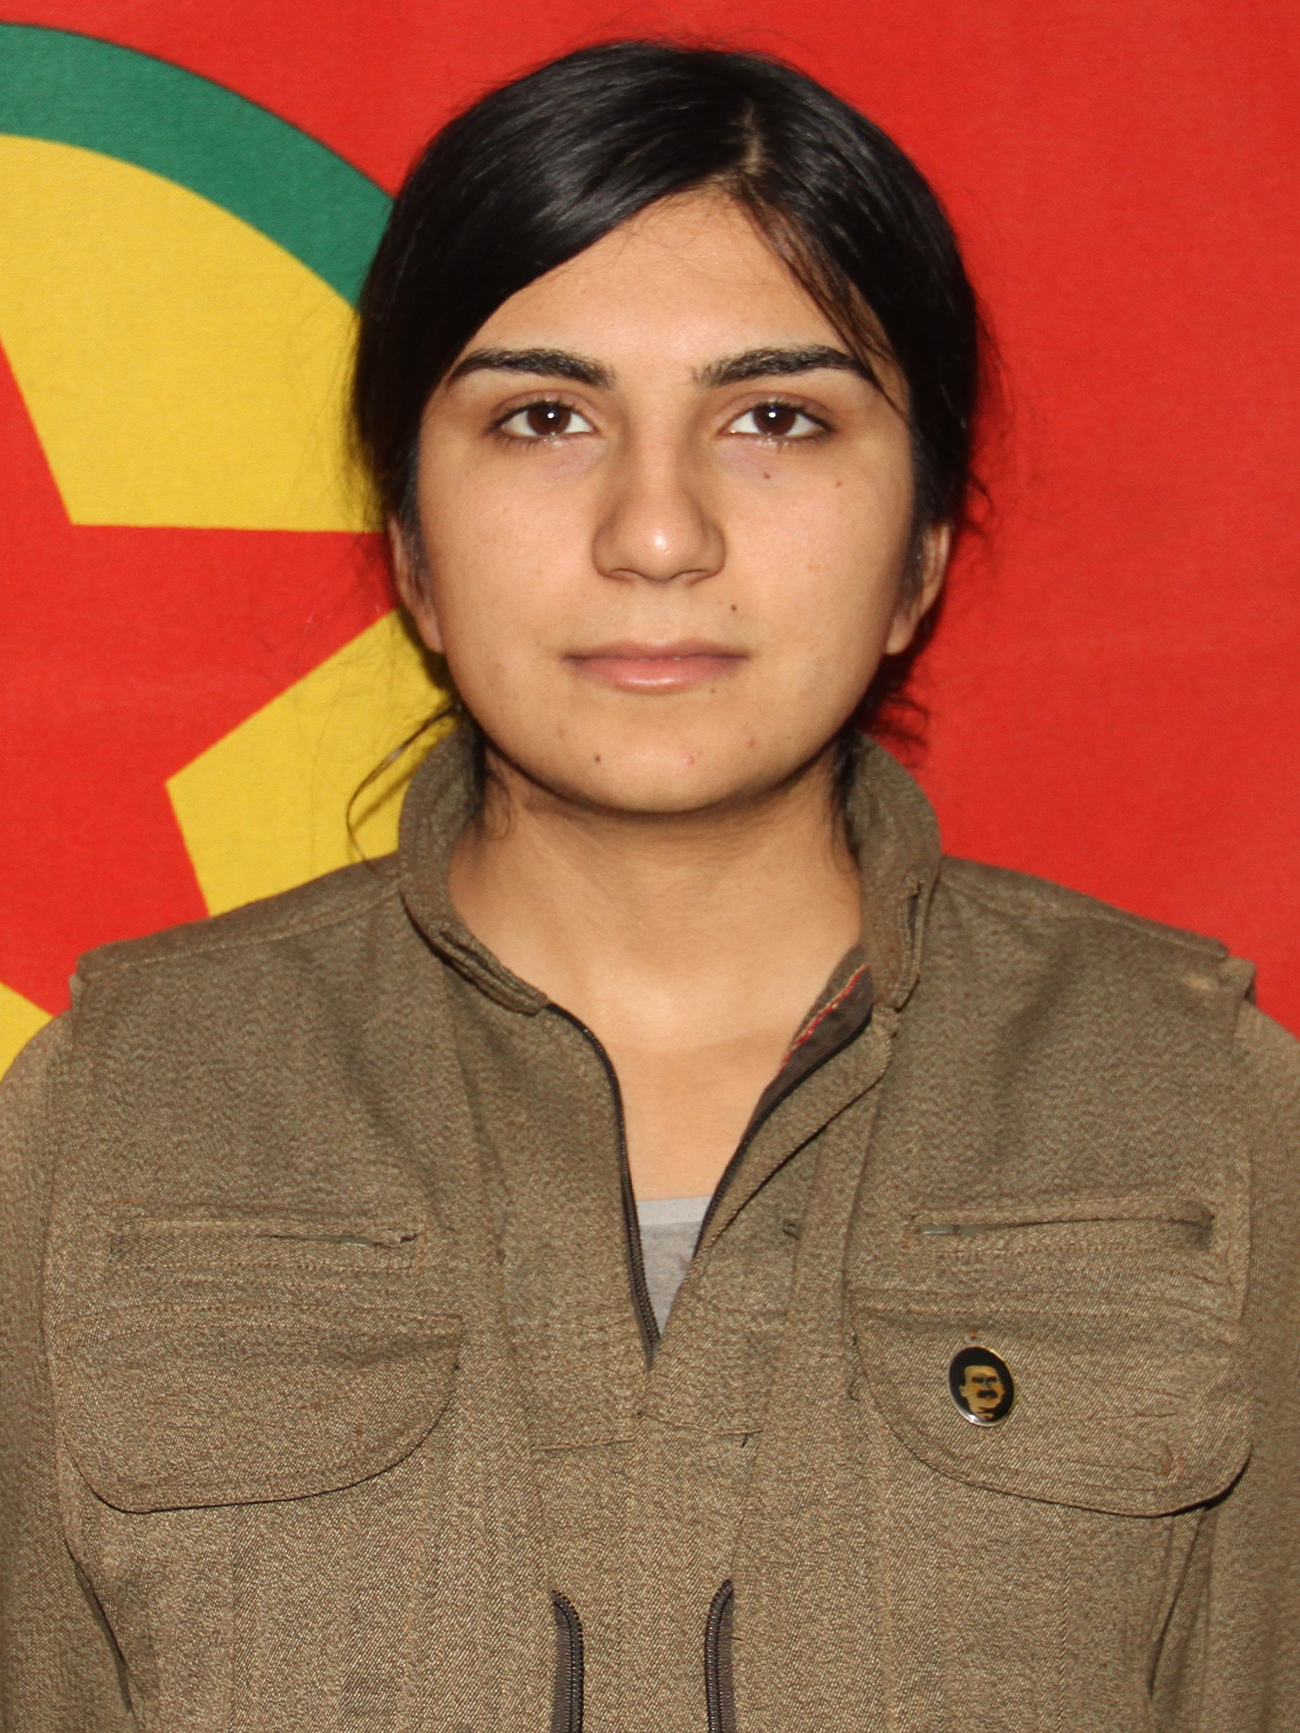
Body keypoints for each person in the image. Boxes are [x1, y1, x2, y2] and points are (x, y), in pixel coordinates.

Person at [1, 39, 1297, 1733]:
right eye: (545, 418)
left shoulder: (1205, 1111)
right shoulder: (109, 1121)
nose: (659, 530)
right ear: (411, 543)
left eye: (776, 418)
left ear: (920, 545)